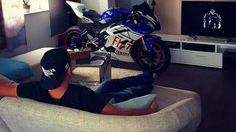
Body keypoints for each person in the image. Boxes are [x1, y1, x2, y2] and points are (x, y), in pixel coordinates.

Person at [0, 48, 158, 116]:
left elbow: (4, 88)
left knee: (108, 84)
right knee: (127, 93)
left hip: (86, 99)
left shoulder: (31, 89)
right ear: (69, 70)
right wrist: (149, 112)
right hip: (95, 102)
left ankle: (145, 75)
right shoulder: (82, 95)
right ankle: (148, 80)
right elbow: (118, 113)